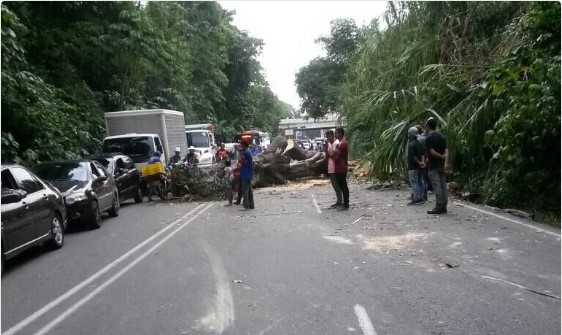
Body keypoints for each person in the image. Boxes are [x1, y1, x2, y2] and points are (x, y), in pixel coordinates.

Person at [425, 117, 448, 214]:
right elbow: (447, 150)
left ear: (427, 126)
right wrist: (445, 161)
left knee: (437, 186)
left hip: (433, 165)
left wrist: (441, 157)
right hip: (441, 165)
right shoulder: (442, 137)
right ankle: (444, 205)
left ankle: (439, 206)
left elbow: (432, 152)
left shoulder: (429, 138)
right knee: (443, 185)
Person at [331, 127, 350, 210]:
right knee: (342, 185)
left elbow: (335, 156)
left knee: (343, 186)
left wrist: (331, 152)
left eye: (336, 133)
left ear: (340, 133)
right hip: (339, 167)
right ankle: (344, 203)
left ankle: (346, 204)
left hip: (341, 167)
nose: (335, 135)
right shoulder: (340, 143)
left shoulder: (343, 144)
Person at [407, 127, 425, 205]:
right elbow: (423, 153)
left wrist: (419, 162)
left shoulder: (411, 144)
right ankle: (421, 197)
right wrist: (422, 162)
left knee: (414, 182)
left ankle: (416, 198)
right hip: (419, 166)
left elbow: (413, 156)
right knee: (420, 181)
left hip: (413, 166)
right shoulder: (419, 143)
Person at [325, 130, 342, 209]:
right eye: (327, 137)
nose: (328, 138)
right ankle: (338, 201)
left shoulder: (337, 143)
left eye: (329, 136)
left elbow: (335, 156)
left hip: (336, 167)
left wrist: (330, 154)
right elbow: (328, 155)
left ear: (333, 136)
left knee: (338, 184)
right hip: (330, 167)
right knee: (334, 185)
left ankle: (340, 201)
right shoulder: (329, 144)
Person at [416, 124, 432, 200]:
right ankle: (424, 194)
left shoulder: (417, 139)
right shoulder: (425, 138)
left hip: (419, 161)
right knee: (424, 177)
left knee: (420, 179)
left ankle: (420, 195)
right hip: (426, 160)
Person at [238, 140, 254, 210]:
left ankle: (246, 205)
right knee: (249, 190)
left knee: (244, 190)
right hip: (249, 173)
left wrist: (239, 152)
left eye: (241, 145)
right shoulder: (249, 151)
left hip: (245, 174)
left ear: (244, 145)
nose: (240, 146)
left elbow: (240, 160)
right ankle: (251, 204)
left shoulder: (245, 153)